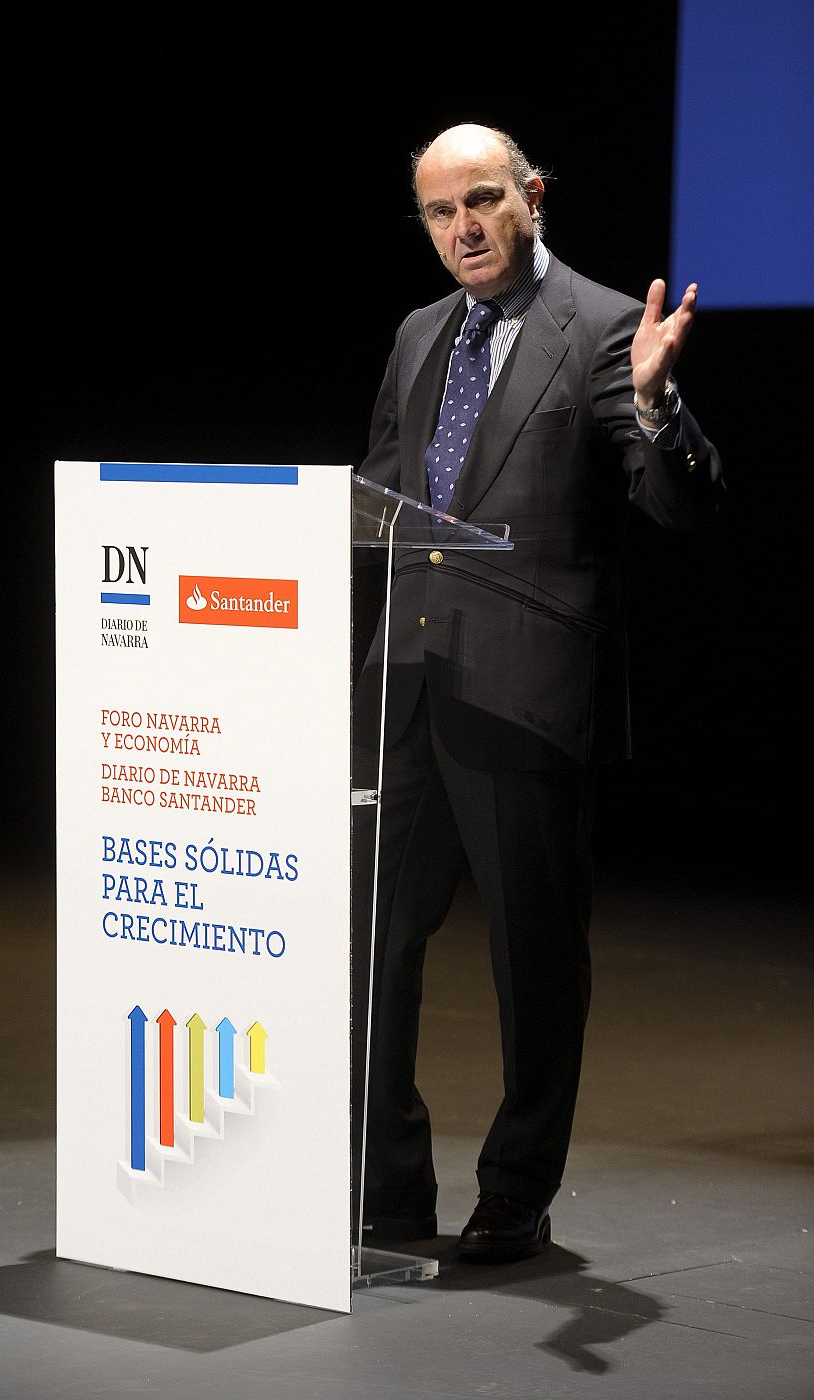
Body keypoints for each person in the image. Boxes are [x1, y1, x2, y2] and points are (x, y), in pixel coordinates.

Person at [352, 123, 722, 1262]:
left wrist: (659, 407)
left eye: (480, 201)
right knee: (367, 946)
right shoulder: (420, 333)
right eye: (437, 212)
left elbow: (679, 504)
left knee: (533, 958)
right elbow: (378, 494)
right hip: (405, 687)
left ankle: (515, 1190)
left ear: (531, 196)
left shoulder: (608, 327)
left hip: (526, 696)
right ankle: (384, 1185)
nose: (460, 229)